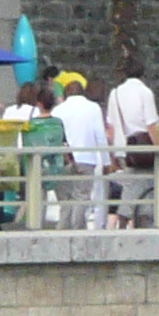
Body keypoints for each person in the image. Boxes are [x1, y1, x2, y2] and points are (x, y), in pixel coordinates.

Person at [54, 75, 113, 229]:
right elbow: (100, 135)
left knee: (66, 201)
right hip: (87, 158)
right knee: (82, 197)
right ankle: (78, 229)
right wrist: (106, 162)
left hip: (65, 159)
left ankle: (63, 232)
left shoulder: (58, 110)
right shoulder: (93, 108)